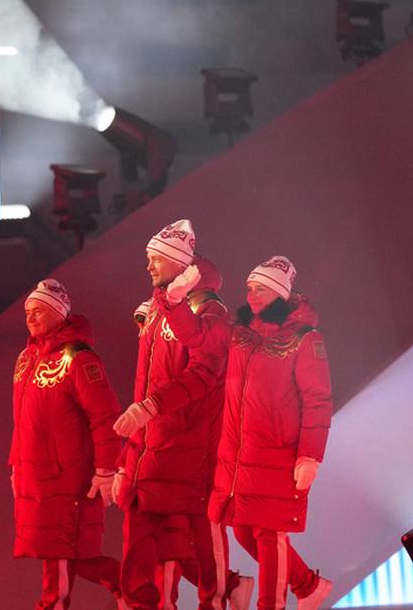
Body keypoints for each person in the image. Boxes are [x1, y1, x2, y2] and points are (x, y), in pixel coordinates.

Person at [112, 219, 239, 610]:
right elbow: (146, 386)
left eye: (156, 258)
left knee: (200, 540)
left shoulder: (209, 308)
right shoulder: (155, 308)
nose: (148, 266)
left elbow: (206, 372)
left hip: (191, 449)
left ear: (179, 262)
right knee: (140, 549)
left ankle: (222, 596)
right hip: (151, 451)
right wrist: (124, 462)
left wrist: (152, 407)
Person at [209, 256, 333, 610]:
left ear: (280, 293)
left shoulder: (305, 339)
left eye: (260, 289)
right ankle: (308, 586)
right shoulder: (242, 335)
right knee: (243, 531)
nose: (251, 296)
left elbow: (318, 400)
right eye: (249, 288)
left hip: (278, 454)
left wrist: (310, 455)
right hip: (239, 456)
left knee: (268, 534)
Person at [9, 279, 124, 609]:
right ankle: (135, 589)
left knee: (60, 552)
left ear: (58, 313)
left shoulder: (79, 358)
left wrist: (106, 469)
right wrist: (16, 465)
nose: (31, 317)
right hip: (36, 476)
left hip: (70, 478)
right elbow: (21, 420)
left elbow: (104, 416)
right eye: (28, 311)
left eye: (39, 310)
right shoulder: (26, 359)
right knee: (66, 553)